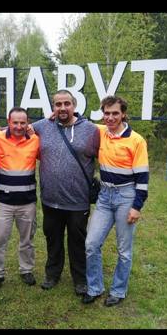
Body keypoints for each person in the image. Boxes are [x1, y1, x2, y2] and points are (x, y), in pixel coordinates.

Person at [82, 95, 149, 307]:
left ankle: (118, 291)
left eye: (115, 113)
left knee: (124, 249)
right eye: (107, 113)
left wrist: (137, 207)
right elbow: (77, 120)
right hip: (104, 195)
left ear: (123, 114)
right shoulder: (101, 132)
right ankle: (95, 287)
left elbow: (143, 179)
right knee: (91, 244)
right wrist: (54, 115)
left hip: (126, 197)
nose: (110, 118)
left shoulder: (136, 140)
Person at [32, 90, 100, 296]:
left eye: (66, 104)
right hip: (50, 199)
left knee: (77, 242)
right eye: (58, 104)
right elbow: (13, 130)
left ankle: (80, 279)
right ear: (53, 107)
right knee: (53, 239)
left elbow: (110, 146)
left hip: (78, 200)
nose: (62, 108)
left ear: (74, 105)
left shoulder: (90, 130)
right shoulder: (42, 126)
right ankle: (52, 275)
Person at [0, 107, 40, 291]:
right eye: (15, 122)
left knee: (27, 239)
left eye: (22, 123)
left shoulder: (35, 140)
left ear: (28, 123)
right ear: (9, 122)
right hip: (4, 202)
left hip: (27, 202)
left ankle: (26, 270)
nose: (18, 126)